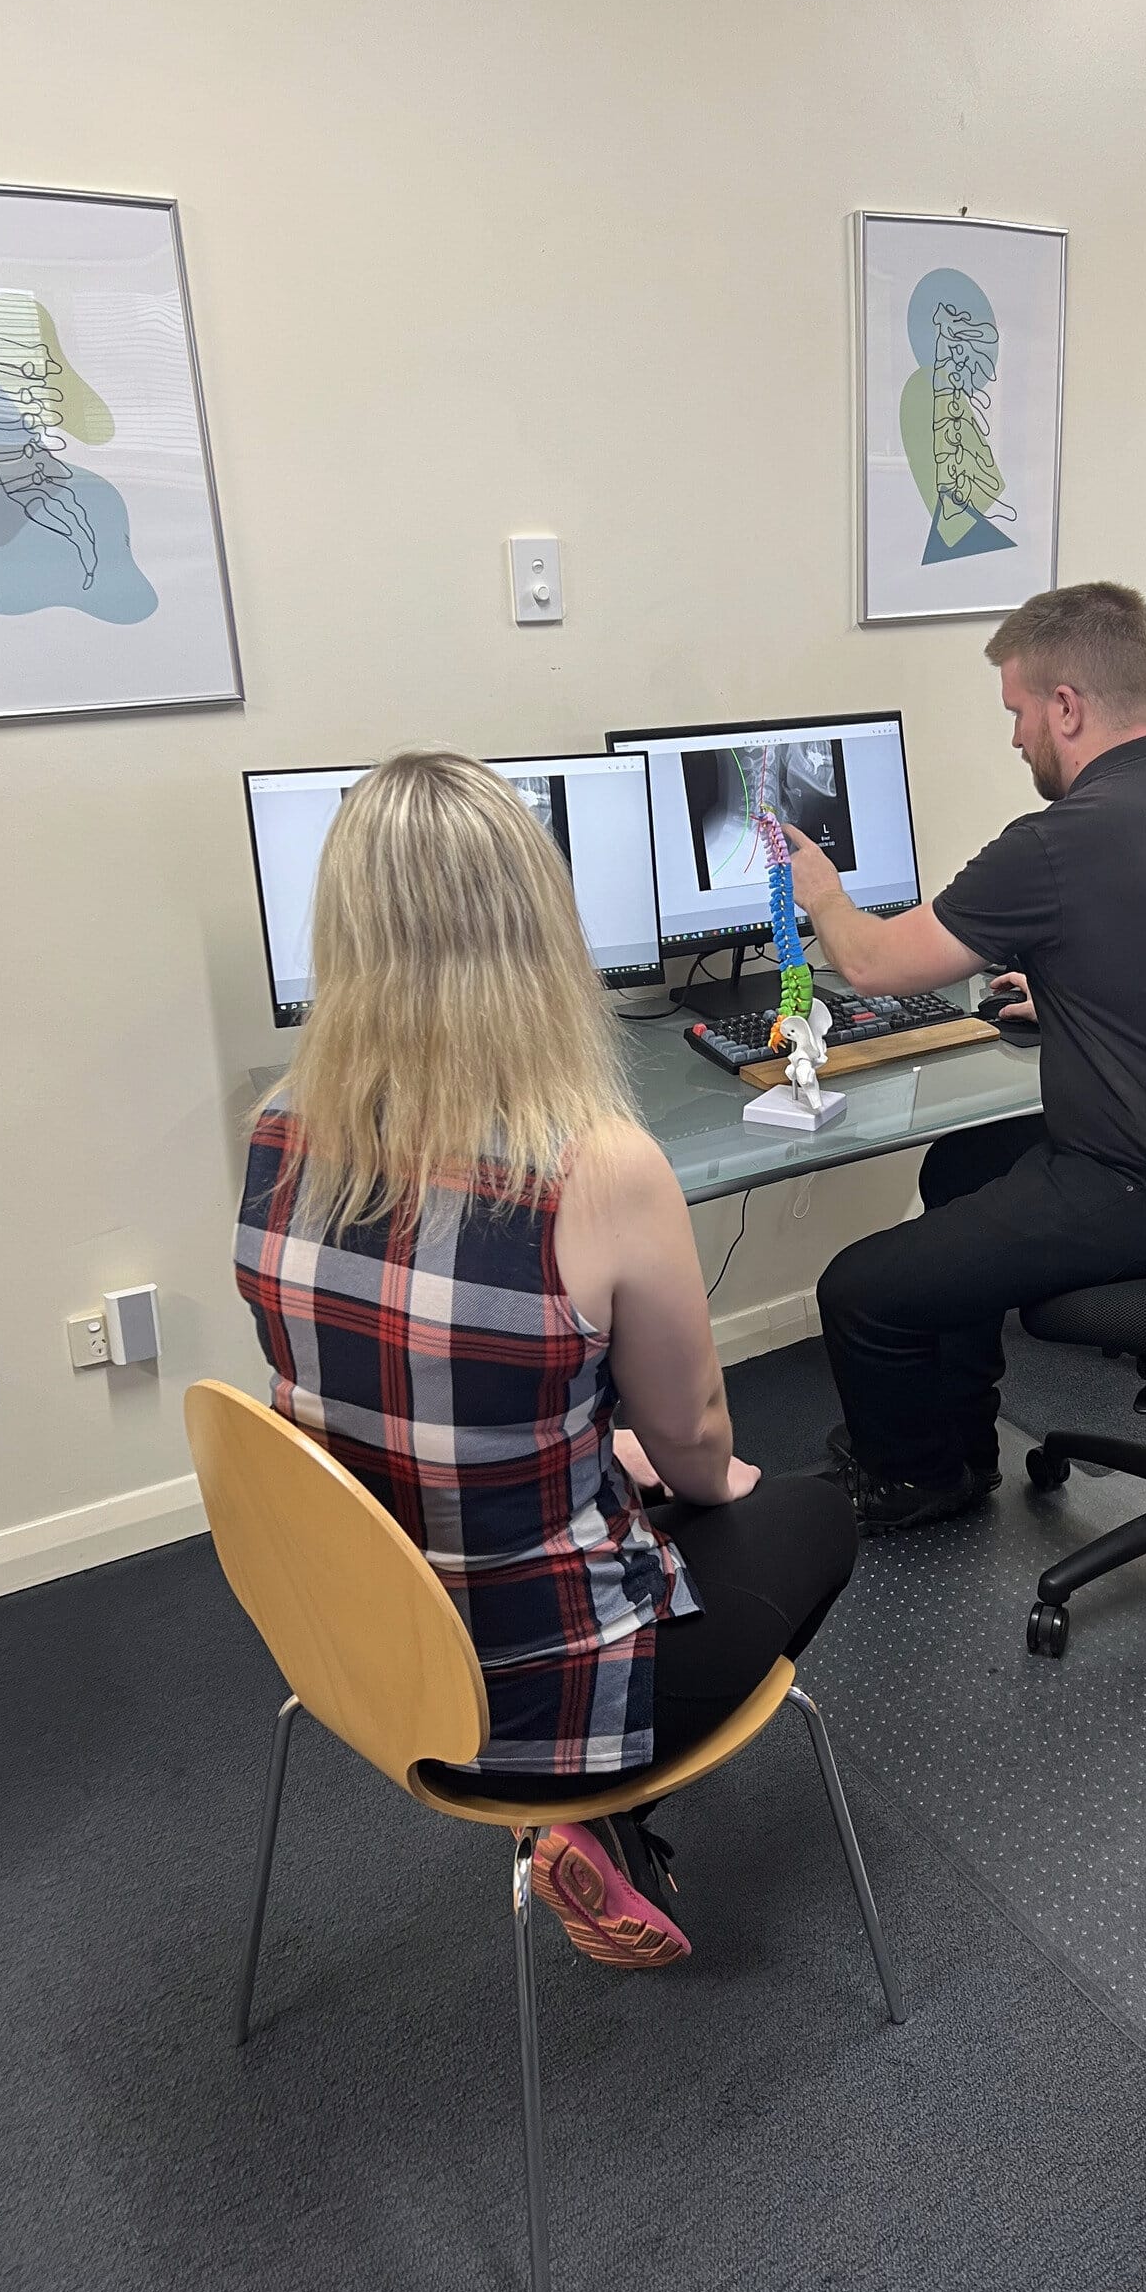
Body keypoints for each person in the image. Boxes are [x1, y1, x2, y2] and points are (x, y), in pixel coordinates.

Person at [235, 751, 856, 1965]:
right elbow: (701, 1442)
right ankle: (592, 1809)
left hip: (358, 1643)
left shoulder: (275, 1128)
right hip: (529, 1691)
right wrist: (697, 1477)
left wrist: (585, 1445)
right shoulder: (597, 1167)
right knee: (816, 1512)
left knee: (629, 1464)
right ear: (538, 925)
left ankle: (594, 1831)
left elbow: (384, 1391)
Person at [785, 582, 1146, 1532]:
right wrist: (1068, 985)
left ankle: (915, 1479)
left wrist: (818, 890)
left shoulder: (1061, 843)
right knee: (958, 1169)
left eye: (1019, 714)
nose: (1016, 739)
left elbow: (867, 964)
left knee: (860, 1290)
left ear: (1066, 706)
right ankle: (962, 1439)